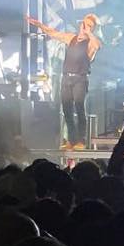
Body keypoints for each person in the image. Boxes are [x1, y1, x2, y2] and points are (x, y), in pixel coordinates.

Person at [28, 12, 100, 149]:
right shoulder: (71, 38)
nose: (85, 27)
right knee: (67, 109)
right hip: (66, 78)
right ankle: (71, 140)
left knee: (79, 107)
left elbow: (97, 46)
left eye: (89, 25)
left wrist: (89, 32)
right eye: (84, 23)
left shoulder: (90, 43)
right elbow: (53, 33)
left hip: (80, 79)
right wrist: (39, 25)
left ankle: (81, 141)